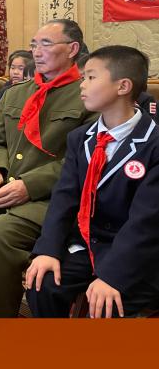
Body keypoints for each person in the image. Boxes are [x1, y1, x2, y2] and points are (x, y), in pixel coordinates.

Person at [0, 19, 93, 318]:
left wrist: (29, 185)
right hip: (4, 187)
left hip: (47, 199)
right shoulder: (16, 93)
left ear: (73, 49)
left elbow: (82, 161)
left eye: (46, 44)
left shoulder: (87, 96)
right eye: (34, 44)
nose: (36, 51)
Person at [26, 46, 159, 319]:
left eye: (91, 77)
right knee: (43, 284)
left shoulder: (153, 143)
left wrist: (112, 275)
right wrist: (48, 250)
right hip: (88, 243)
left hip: (135, 252)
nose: (82, 85)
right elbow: (63, 198)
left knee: (107, 305)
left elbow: (146, 222)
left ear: (123, 86)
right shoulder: (81, 137)